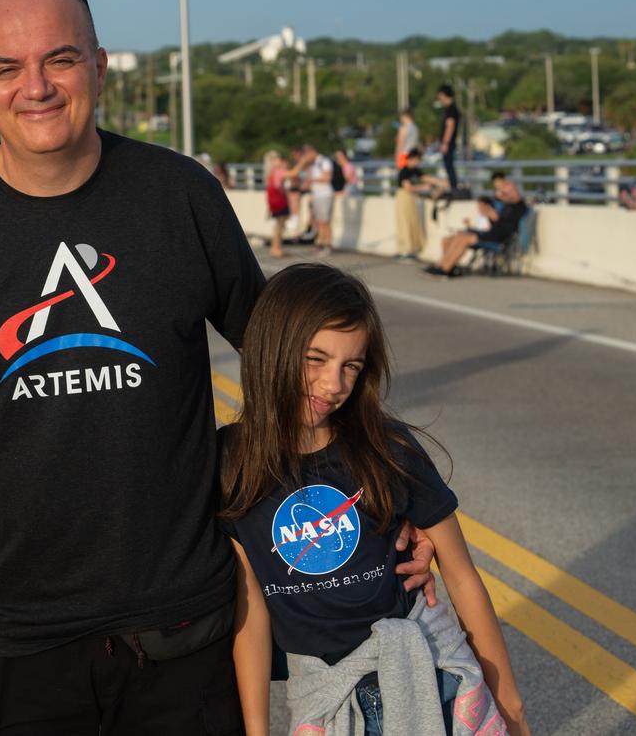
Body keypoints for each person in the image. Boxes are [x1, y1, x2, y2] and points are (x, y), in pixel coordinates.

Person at [0, 0, 435, 735]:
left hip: (184, 629)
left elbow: (292, 369)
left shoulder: (180, 195)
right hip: (13, 643)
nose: (35, 85)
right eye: (7, 67)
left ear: (98, 66)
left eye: (59, 59)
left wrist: (385, 502)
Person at [222, 264, 529, 736]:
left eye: (352, 366)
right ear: (271, 351)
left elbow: (462, 576)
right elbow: (251, 609)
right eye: (315, 358)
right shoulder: (231, 463)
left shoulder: (389, 448)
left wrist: (510, 705)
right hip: (326, 700)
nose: (333, 385)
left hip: (433, 675)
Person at [425, 171, 526, 278]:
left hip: (498, 237)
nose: (502, 195)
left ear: (514, 191)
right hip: (491, 232)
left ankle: (446, 268)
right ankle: (441, 265)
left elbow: (505, 227)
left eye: (505, 193)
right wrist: (489, 215)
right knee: (449, 239)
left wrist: (493, 216)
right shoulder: (507, 205)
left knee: (463, 238)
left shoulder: (519, 208)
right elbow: (495, 221)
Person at [393, 148, 432, 260]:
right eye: (417, 160)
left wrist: (441, 182)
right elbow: (408, 187)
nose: (418, 162)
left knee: (413, 222)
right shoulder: (404, 171)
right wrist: (423, 187)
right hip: (403, 197)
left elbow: (425, 178)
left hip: (411, 198)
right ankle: (405, 250)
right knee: (404, 223)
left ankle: (413, 249)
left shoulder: (415, 170)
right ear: (412, 159)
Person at [302, 143, 335, 257]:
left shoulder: (324, 162)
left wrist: (312, 179)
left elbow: (327, 177)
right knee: (319, 222)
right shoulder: (313, 164)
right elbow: (308, 181)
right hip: (316, 195)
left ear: (312, 152)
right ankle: (320, 243)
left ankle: (327, 245)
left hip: (325, 195)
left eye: (306, 154)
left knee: (325, 222)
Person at [264, 150, 290, 258]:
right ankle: (276, 248)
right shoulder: (276, 171)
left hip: (275, 201)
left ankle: (276, 247)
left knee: (279, 225)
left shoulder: (271, 172)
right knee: (279, 226)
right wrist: (302, 163)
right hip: (279, 201)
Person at [436, 85, 461, 191]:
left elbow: (450, 126)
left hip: (449, 143)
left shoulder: (451, 109)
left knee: (449, 166)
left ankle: (454, 188)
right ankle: (453, 187)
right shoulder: (452, 108)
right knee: (448, 166)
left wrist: (445, 143)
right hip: (449, 143)